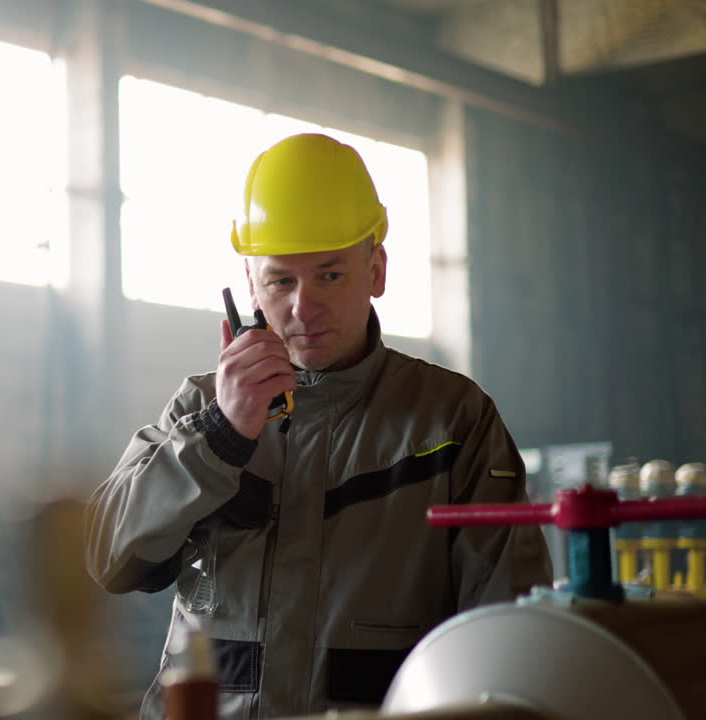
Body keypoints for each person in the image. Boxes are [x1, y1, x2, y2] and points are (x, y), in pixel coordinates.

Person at [84, 133, 552, 719]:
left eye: (330, 275)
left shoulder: (452, 419)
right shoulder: (200, 409)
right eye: (281, 281)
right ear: (250, 286)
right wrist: (221, 436)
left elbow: (508, 627)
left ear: (375, 270)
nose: (304, 309)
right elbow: (108, 558)